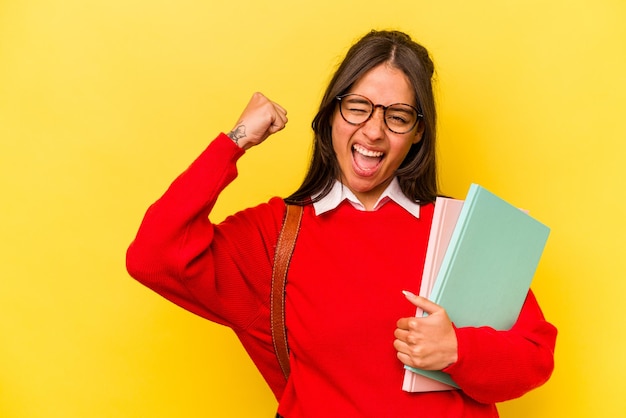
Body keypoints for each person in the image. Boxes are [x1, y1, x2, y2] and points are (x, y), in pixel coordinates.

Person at [126, 30, 557, 417]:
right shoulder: (276, 235)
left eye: (398, 117)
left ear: (418, 133)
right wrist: (236, 140)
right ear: (332, 113)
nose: (373, 131)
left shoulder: (463, 228)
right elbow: (153, 254)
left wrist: (457, 350)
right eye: (358, 107)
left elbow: (535, 357)